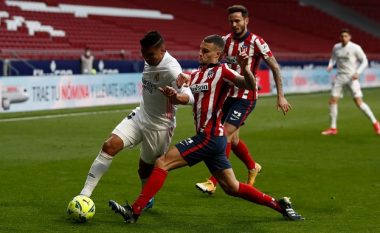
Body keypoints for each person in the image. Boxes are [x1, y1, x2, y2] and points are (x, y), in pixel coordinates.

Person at [108, 34, 304, 223]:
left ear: (218, 54)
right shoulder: (195, 75)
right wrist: (173, 95)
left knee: (162, 162)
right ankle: (280, 206)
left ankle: (134, 210)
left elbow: (250, 86)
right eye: (200, 50)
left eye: (206, 51)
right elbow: (183, 96)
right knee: (232, 187)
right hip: (214, 140)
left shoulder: (224, 71)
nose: (200, 54)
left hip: (209, 137)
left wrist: (245, 68)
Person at [76, 31, 193, 210]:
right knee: (109, 146)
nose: (146, 58)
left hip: (160, 125)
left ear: (163, 50)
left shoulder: (172, 69)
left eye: (150, 55)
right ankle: (84, 196)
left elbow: (190, 97)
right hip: (140, 115)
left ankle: (145, 198)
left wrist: (177, 96)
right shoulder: (150, 59)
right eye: (143, 54)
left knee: (144, 169)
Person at [196, 5, 292, 194]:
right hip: (227, 97)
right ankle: (252, 166)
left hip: (246, 97)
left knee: (224, 136)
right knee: (235, 140)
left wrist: (280, 95)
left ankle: (213, 182)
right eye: (231, 21)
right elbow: (213, 63)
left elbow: (275, 67)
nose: (234, 24)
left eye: (238, 20)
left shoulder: (257, 41)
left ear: (246, 20)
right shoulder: (225, 42)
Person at [322, 28, 380, 135]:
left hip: (351, 78)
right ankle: (333, 128)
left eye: (346, 36)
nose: (344, 38)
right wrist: (330, 65)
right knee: (332, 101)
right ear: (340, 37)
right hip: (339, 77)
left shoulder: (355, 48)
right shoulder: (336, 47)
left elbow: (365, 61)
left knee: (359, 103)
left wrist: (358, 72)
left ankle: (376, 123)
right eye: (342, 36)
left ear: (349, 37)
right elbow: (333, 58)